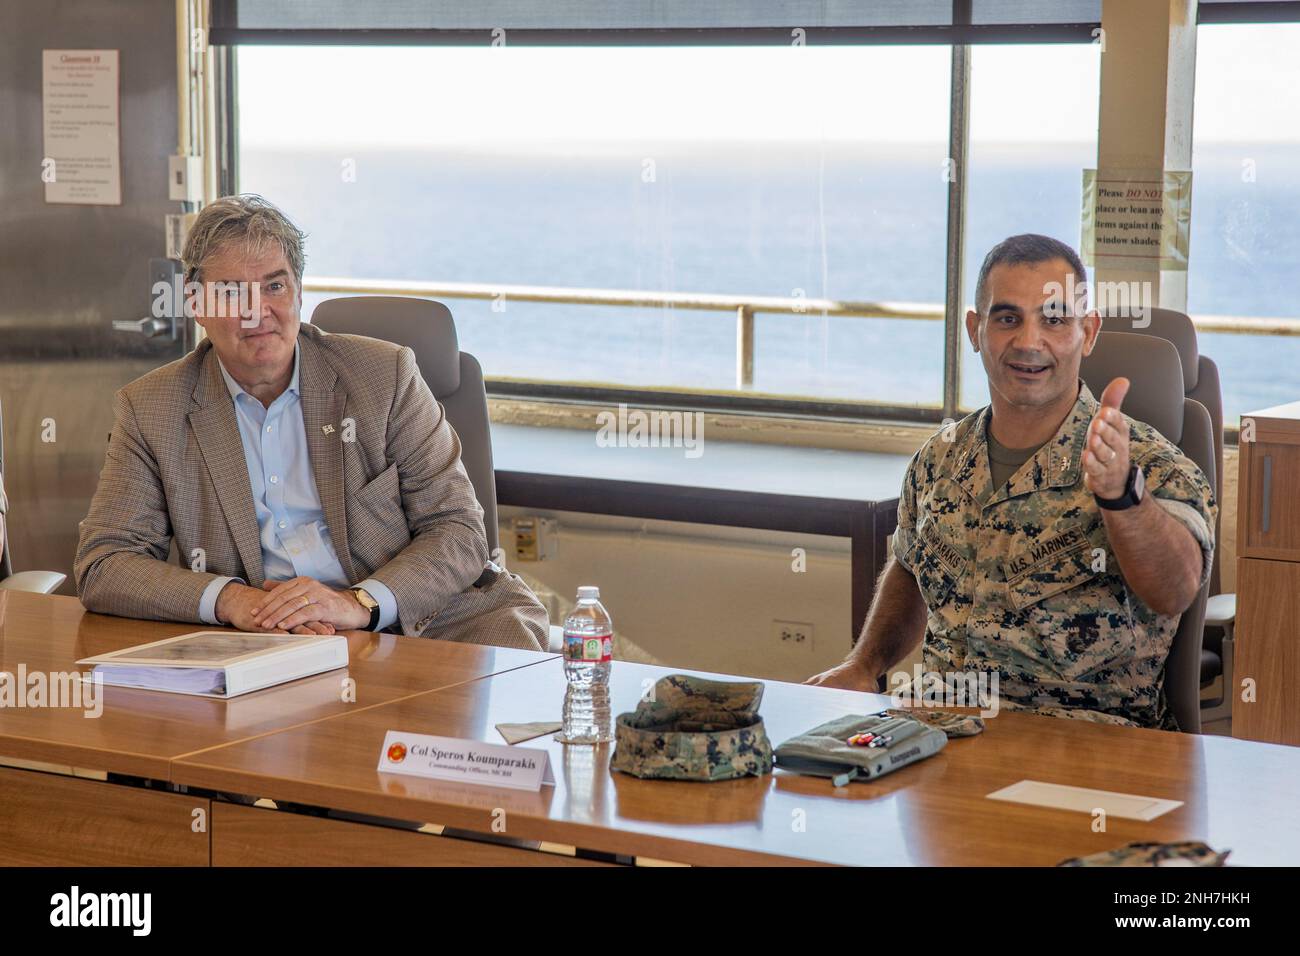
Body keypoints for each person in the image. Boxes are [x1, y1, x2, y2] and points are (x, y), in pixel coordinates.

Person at [75, 194, 547, 650]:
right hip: (263, 637)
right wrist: (234, 600)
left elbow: (459, 529)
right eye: (232, 291)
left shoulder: (385, 376)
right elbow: (105, 563)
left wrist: (358, 604)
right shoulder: (152, 407)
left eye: (274, 286)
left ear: (299, 292)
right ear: (196, 305)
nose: (257, 311)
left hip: (423, 619)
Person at [807, 234, 1216, 729]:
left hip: (1086, 752)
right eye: (1007, 319)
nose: (1028, 342)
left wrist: (1121, 495)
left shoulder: (1151, 465)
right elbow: (911, 569)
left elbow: (1175, 590)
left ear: (1087, 333)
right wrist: (865, 666)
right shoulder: (937, 461)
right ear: (975, 331)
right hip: (940, 737)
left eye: (1054, 319)